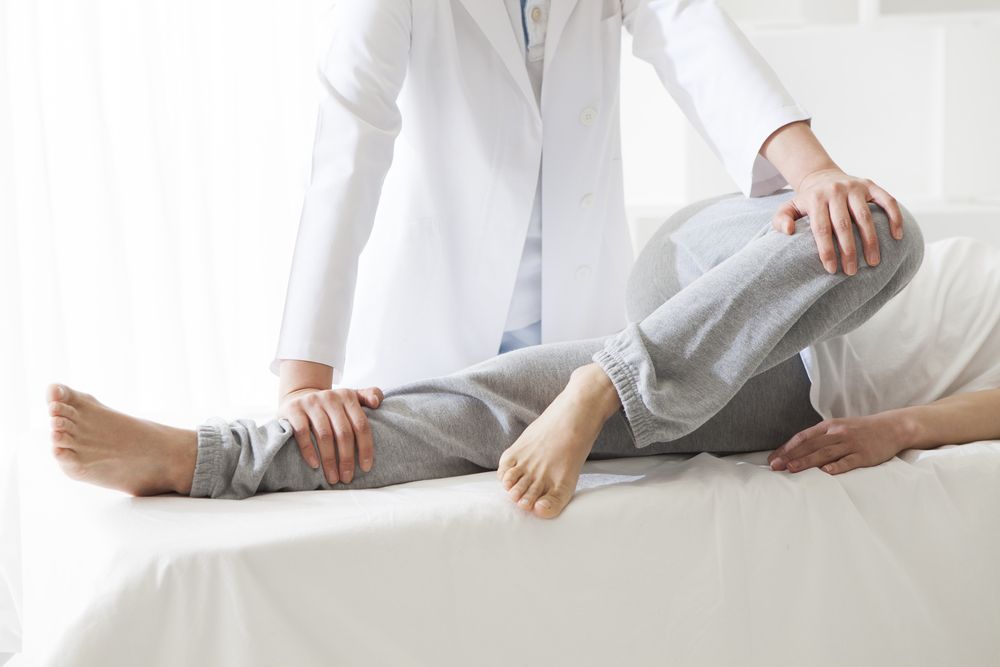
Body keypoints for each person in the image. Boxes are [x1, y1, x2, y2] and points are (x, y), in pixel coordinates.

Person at [46, 193, 1000, 519]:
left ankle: (204, 456)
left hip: (780, 380)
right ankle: (608, 377)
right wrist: (806, 190)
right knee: (885, 227)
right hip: (737, 268)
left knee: (492, 407)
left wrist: (900, 427)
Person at [271, 0, 907, 489]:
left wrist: (815, 172)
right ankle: (201, 457)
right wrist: (306, 379)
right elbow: (347, 148)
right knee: (373, 453)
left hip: (577, 328)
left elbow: (693, 32)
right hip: (435, 320)